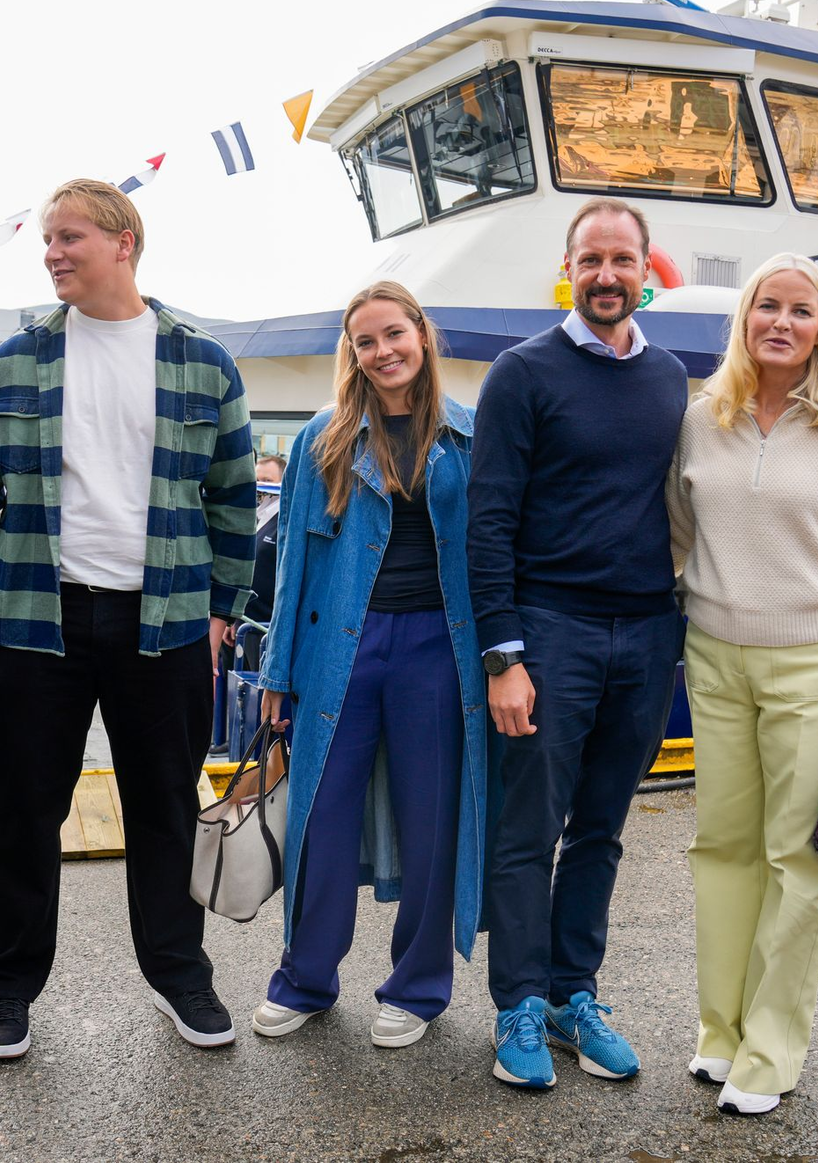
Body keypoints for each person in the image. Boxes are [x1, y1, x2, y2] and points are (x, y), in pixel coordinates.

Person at [0, 179, 256, 1060]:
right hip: (36, 620)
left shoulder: (203, 363)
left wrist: (222, 613)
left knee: (164, 806)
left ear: (124, 241)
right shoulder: (14, 362)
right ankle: (7, 993)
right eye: (47, 239)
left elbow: (234, 502)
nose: (52, 252)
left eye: (68, 236)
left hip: (164, 622)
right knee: (19, 812)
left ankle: (179, 975)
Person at [668, 253, 818, 1115]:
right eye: (766, 306)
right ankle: (721, 1034)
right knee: (722, 851)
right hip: (716, 659)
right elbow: (677, 536)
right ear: (744, 320)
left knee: (797, 859)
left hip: (816, 664)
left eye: (800, 310)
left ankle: (771, 1051)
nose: (781, 321)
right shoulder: (704, 418)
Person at [469, 198, 688, 1090]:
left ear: (645, 270)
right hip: (549, 632)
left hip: (646, 631)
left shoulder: (672, 377)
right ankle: (518, 1003)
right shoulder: (521, 375)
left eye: (622, 259)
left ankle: (573, 995)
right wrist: (504, 657)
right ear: (570, 266)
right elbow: (489, 524)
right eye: (590, 259)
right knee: (530, 829)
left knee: (600, 830)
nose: (607, 275)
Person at [251, 281, 486, 1049]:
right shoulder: (327, 436)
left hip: (436, 647)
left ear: (422, 334)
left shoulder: (467, 436)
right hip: (337, 646)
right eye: (365, 341)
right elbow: (292, 568)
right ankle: (306, 978)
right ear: (351, 352)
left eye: (394, 334)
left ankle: (417, 987)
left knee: (432, 816)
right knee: (319, 810)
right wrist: (274, 673)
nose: (382, 351)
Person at [223, 454, 286, 671]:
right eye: (257, 480)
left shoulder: (285, 522)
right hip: (244, 626)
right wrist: (232, 618)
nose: (261, 486)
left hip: (266, 630)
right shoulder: (257, 517)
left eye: (268, 480)